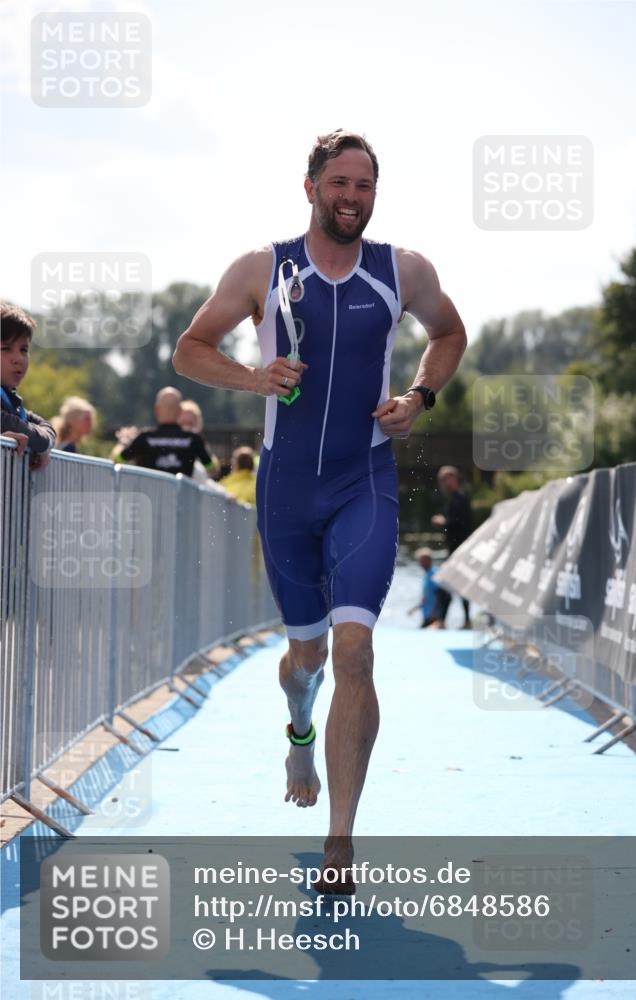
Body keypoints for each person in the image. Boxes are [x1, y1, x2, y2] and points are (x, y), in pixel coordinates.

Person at [173, 129, 466, 891]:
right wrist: (251, 376)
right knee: (305, 661)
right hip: (286, 490)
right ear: (310, 187)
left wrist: (417, 398)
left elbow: (448, 334)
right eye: (339, 183)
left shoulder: (402, 270)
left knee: (356, 653)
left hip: (362, 482)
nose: (351, 197)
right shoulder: (262, 268)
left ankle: (340, 843)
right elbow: (189, 349)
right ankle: (298, 730)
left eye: (363, 186)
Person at [116, 387, 217, 478]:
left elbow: (117, 460)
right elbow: (213, 470)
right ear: (180, 410)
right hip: (183, 498)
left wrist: (123, 443)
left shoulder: (145, 438)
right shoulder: (193, 439)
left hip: (151, 497)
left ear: (156, 409)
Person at [1, 302, 55, 470]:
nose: (18, 358)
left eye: (23, 349)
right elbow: (41, 438)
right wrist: (40, 444)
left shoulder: (11, 400)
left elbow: (47, 431)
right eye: (5, 348)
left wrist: (41, 445)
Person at [431, 465, 473, 627]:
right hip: (455, 550)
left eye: (445, 478)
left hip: (459, 550)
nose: (442, 482)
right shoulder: (455, 497)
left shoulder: (460, 497)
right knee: (455, 585)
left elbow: (462, 523)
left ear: (454, 478)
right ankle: (464, 620)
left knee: (445, 584)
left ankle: (442, 621)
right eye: (440, 479)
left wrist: (444, 522)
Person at [177, 399, 219, 484]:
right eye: (183, 424)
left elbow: (213, 471)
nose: (186, 428)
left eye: (190, 424)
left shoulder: (200, 443)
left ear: (198, 424)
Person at [409, 547, 448, 628]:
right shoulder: (426, 575)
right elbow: (426, 597)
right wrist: (415, 608)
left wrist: (435, 612)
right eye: (419, 561)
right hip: (427, 614)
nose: (420, 563)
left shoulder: (434, 573)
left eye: (422, 561)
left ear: (428, 560)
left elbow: (440, 594)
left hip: (433, 615)